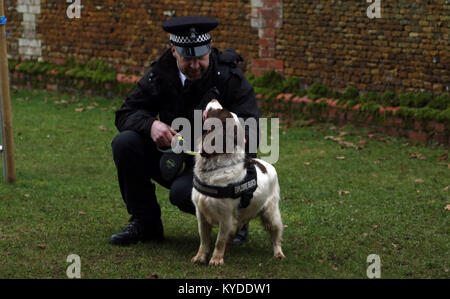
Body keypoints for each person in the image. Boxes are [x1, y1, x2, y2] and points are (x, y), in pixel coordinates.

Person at [110, 16, 259, 246]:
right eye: (187, 59)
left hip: (219, 167)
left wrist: (229, 128)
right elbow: (126, 113)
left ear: (209, 49)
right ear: (173, 51)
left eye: (200, 57)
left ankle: (234, 220)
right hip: (174, 157)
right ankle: (145, 223)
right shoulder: (160, 74)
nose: (195, 65)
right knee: (125, 143)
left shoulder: (228, 76)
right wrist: (151, 125)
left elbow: (252, 127)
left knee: (182, 193)